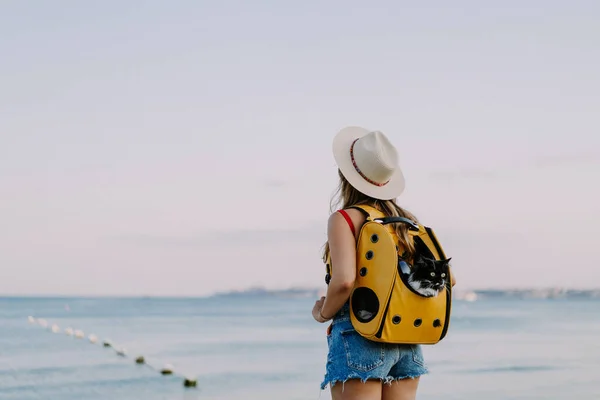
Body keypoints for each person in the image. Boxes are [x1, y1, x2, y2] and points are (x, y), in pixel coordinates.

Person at [312, 127, 456, 400]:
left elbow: (344, 281)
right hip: (406, 337)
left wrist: (322, 313)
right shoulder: (408, 223)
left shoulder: (345, 219)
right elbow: (440, 279)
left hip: (361, 335)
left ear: (346, 175)